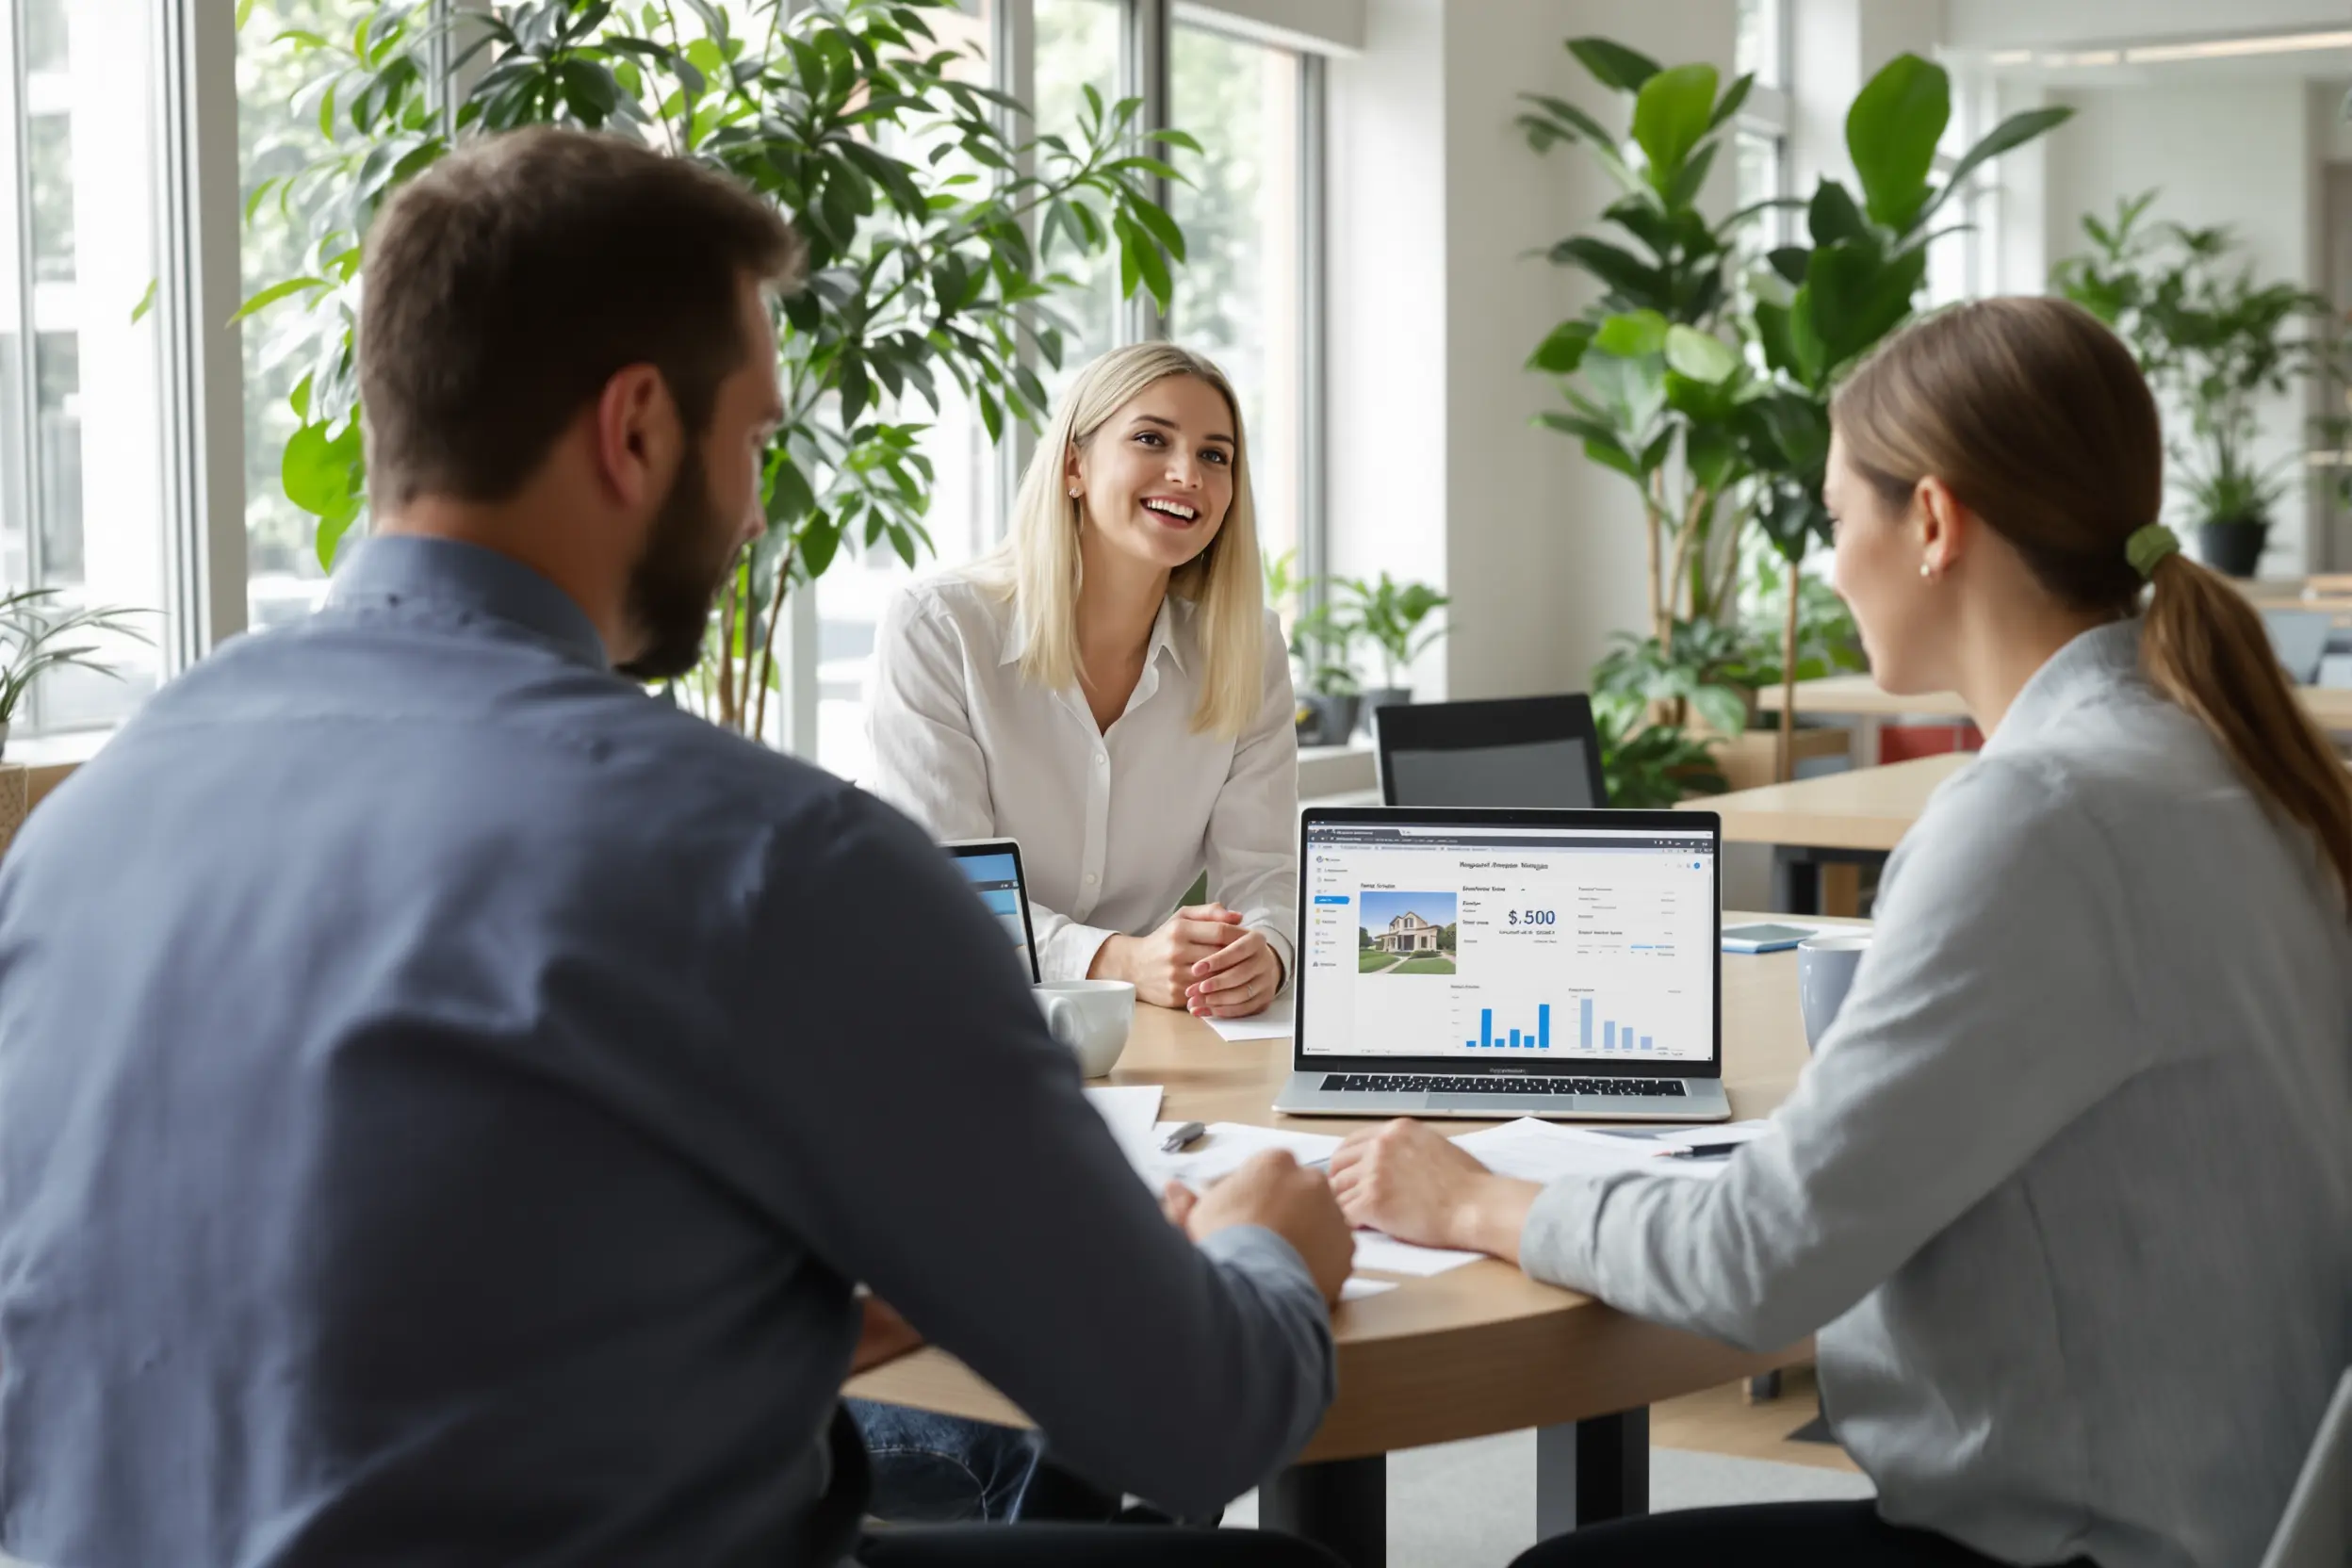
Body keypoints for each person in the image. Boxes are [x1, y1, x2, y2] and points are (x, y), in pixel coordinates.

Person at [0, 127, 1357, 1568]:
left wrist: (759, 1317)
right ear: (638, 429)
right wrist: (1274, 1237)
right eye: (757, 437)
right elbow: (1204, 1413)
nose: (761, 502)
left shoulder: (88, 824)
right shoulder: (769, 860)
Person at [1325, 297, 2352, 1568]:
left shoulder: (2037, 812)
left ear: (1930, 522)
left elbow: (1759, 1263)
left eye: (1831, 518)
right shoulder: (2226, 759)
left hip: (2086, 1541)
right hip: (2241, 1510)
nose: (1823, 560)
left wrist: (1473, 1197)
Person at [864, 342, 1295, 1024]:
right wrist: (1118, 959)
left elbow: (1266, 871)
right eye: (1152, 439)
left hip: (1143, 1032)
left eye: (1216, 455)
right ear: (1074, 465)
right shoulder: (941, 628)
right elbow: (945, 892)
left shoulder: (1246, 648)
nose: (1187, 473)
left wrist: (1265, 953)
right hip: (949, 1015)